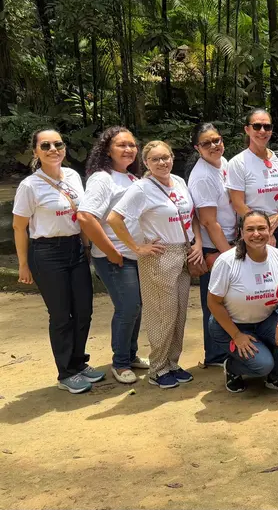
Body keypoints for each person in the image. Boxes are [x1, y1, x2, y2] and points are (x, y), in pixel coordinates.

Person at [108, 140, 204, 389]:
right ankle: (158, 367)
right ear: (146, 163)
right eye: (156, 159)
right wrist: (137, 247)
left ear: (172, 158)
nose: (162, 163)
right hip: (158, 255)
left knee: (180, 312)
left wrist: (197, 243)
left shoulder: (179, 182)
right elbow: (114, 218)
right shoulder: (141, 188)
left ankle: (172, 362)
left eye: (166, 157)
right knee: (162, 313)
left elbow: (191, 216)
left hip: (183, 252)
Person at [13, 129, 99, 393]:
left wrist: (86, 247)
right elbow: (19, 227)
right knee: (61, 315)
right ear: (36, 152)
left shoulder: (73, 176)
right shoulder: (29, 186)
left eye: (58, 144)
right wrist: (24, 264)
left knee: (84, 309)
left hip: (75, 248)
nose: (53, 149)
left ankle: (78, 362)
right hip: (47, 253)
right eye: (46, 145)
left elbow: (82, 215)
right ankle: (66, 372)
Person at [78, 126, 148, 384]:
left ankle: (130, 355)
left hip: (135, 256)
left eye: (132, 145)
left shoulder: (132, 179)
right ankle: (119, 363)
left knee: (137, 308)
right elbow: (85, 217)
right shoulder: (102, 178)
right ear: (107, 149)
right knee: (128, 307)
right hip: (115, 257)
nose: (129, 149)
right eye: (122, 145)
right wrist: (112, 252)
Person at [207, 210, 278, 396]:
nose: (256, 234)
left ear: (270, 230)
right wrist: (236, 335)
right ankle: (233, 367)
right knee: (262, 365)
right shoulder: (227, 261)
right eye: (250, 229)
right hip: (231, 325)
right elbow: (213, 303)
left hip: (265, 320)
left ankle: (276, 376)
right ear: (241, 233)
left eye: (261, 228)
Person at [187, 123, 235, 368]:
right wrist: (229, 255)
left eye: (217, 140)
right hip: (215, 247)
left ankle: (227, 350)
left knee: (229, 299)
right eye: (206, 143)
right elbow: (208, 221)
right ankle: (216, 356)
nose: (214, 146)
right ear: (197, 148)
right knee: (215, 302)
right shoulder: (203, 176)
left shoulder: (224, 164)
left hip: (229, 241)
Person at [226, 108, 278, 250]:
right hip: (254, 230)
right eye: (257, 126)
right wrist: (264, 229)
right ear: (247, 129)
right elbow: (238, 203)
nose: (262, 131)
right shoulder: (238, 163)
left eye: (267, 127)